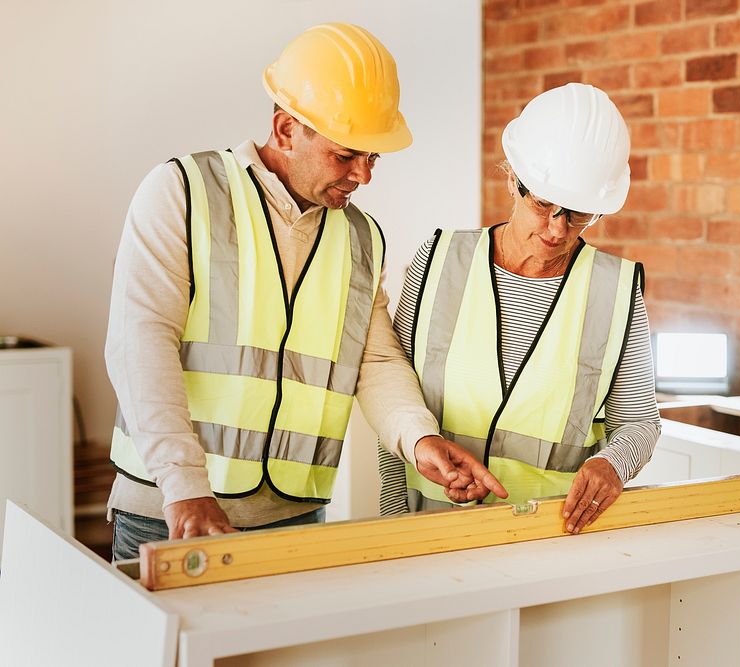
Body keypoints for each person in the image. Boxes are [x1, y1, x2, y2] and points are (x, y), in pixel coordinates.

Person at [105, 22, 505, 561]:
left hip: (294, 516)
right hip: (171, 513)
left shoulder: (360, 237)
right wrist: (184, 486)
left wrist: (419, 439)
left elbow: (377, 361)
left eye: (373, 158)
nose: (364, 176)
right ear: (287, 129)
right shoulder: (184, 193)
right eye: (347, 156)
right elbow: (140, 342)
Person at [378, 83, 661, 534]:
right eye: (543, 203)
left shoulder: (616, 290)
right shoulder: (436, 261)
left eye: (578, 213)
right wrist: (391, 523)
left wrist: (613, 465)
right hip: (428, 530)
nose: (556, 229)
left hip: (547, 535)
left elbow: (640, 422)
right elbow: (396, 397)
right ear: (512, 178)